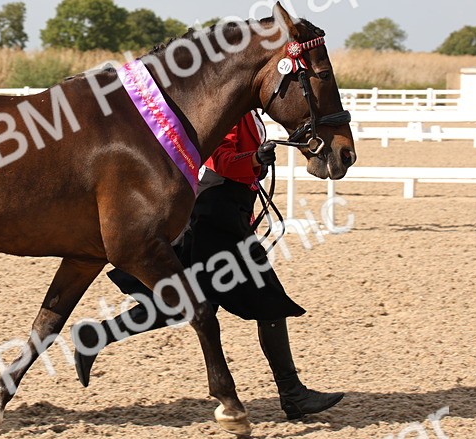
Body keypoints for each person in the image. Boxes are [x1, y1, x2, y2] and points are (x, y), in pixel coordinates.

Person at [74, 110, 344, 420]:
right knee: (267, 299)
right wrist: (255, 158)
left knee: (181, 303)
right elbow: (221, 160)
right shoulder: (228, 112)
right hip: (217, 217)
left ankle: (95, 337)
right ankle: (292, 393)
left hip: (227, 212)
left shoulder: (248, 112)